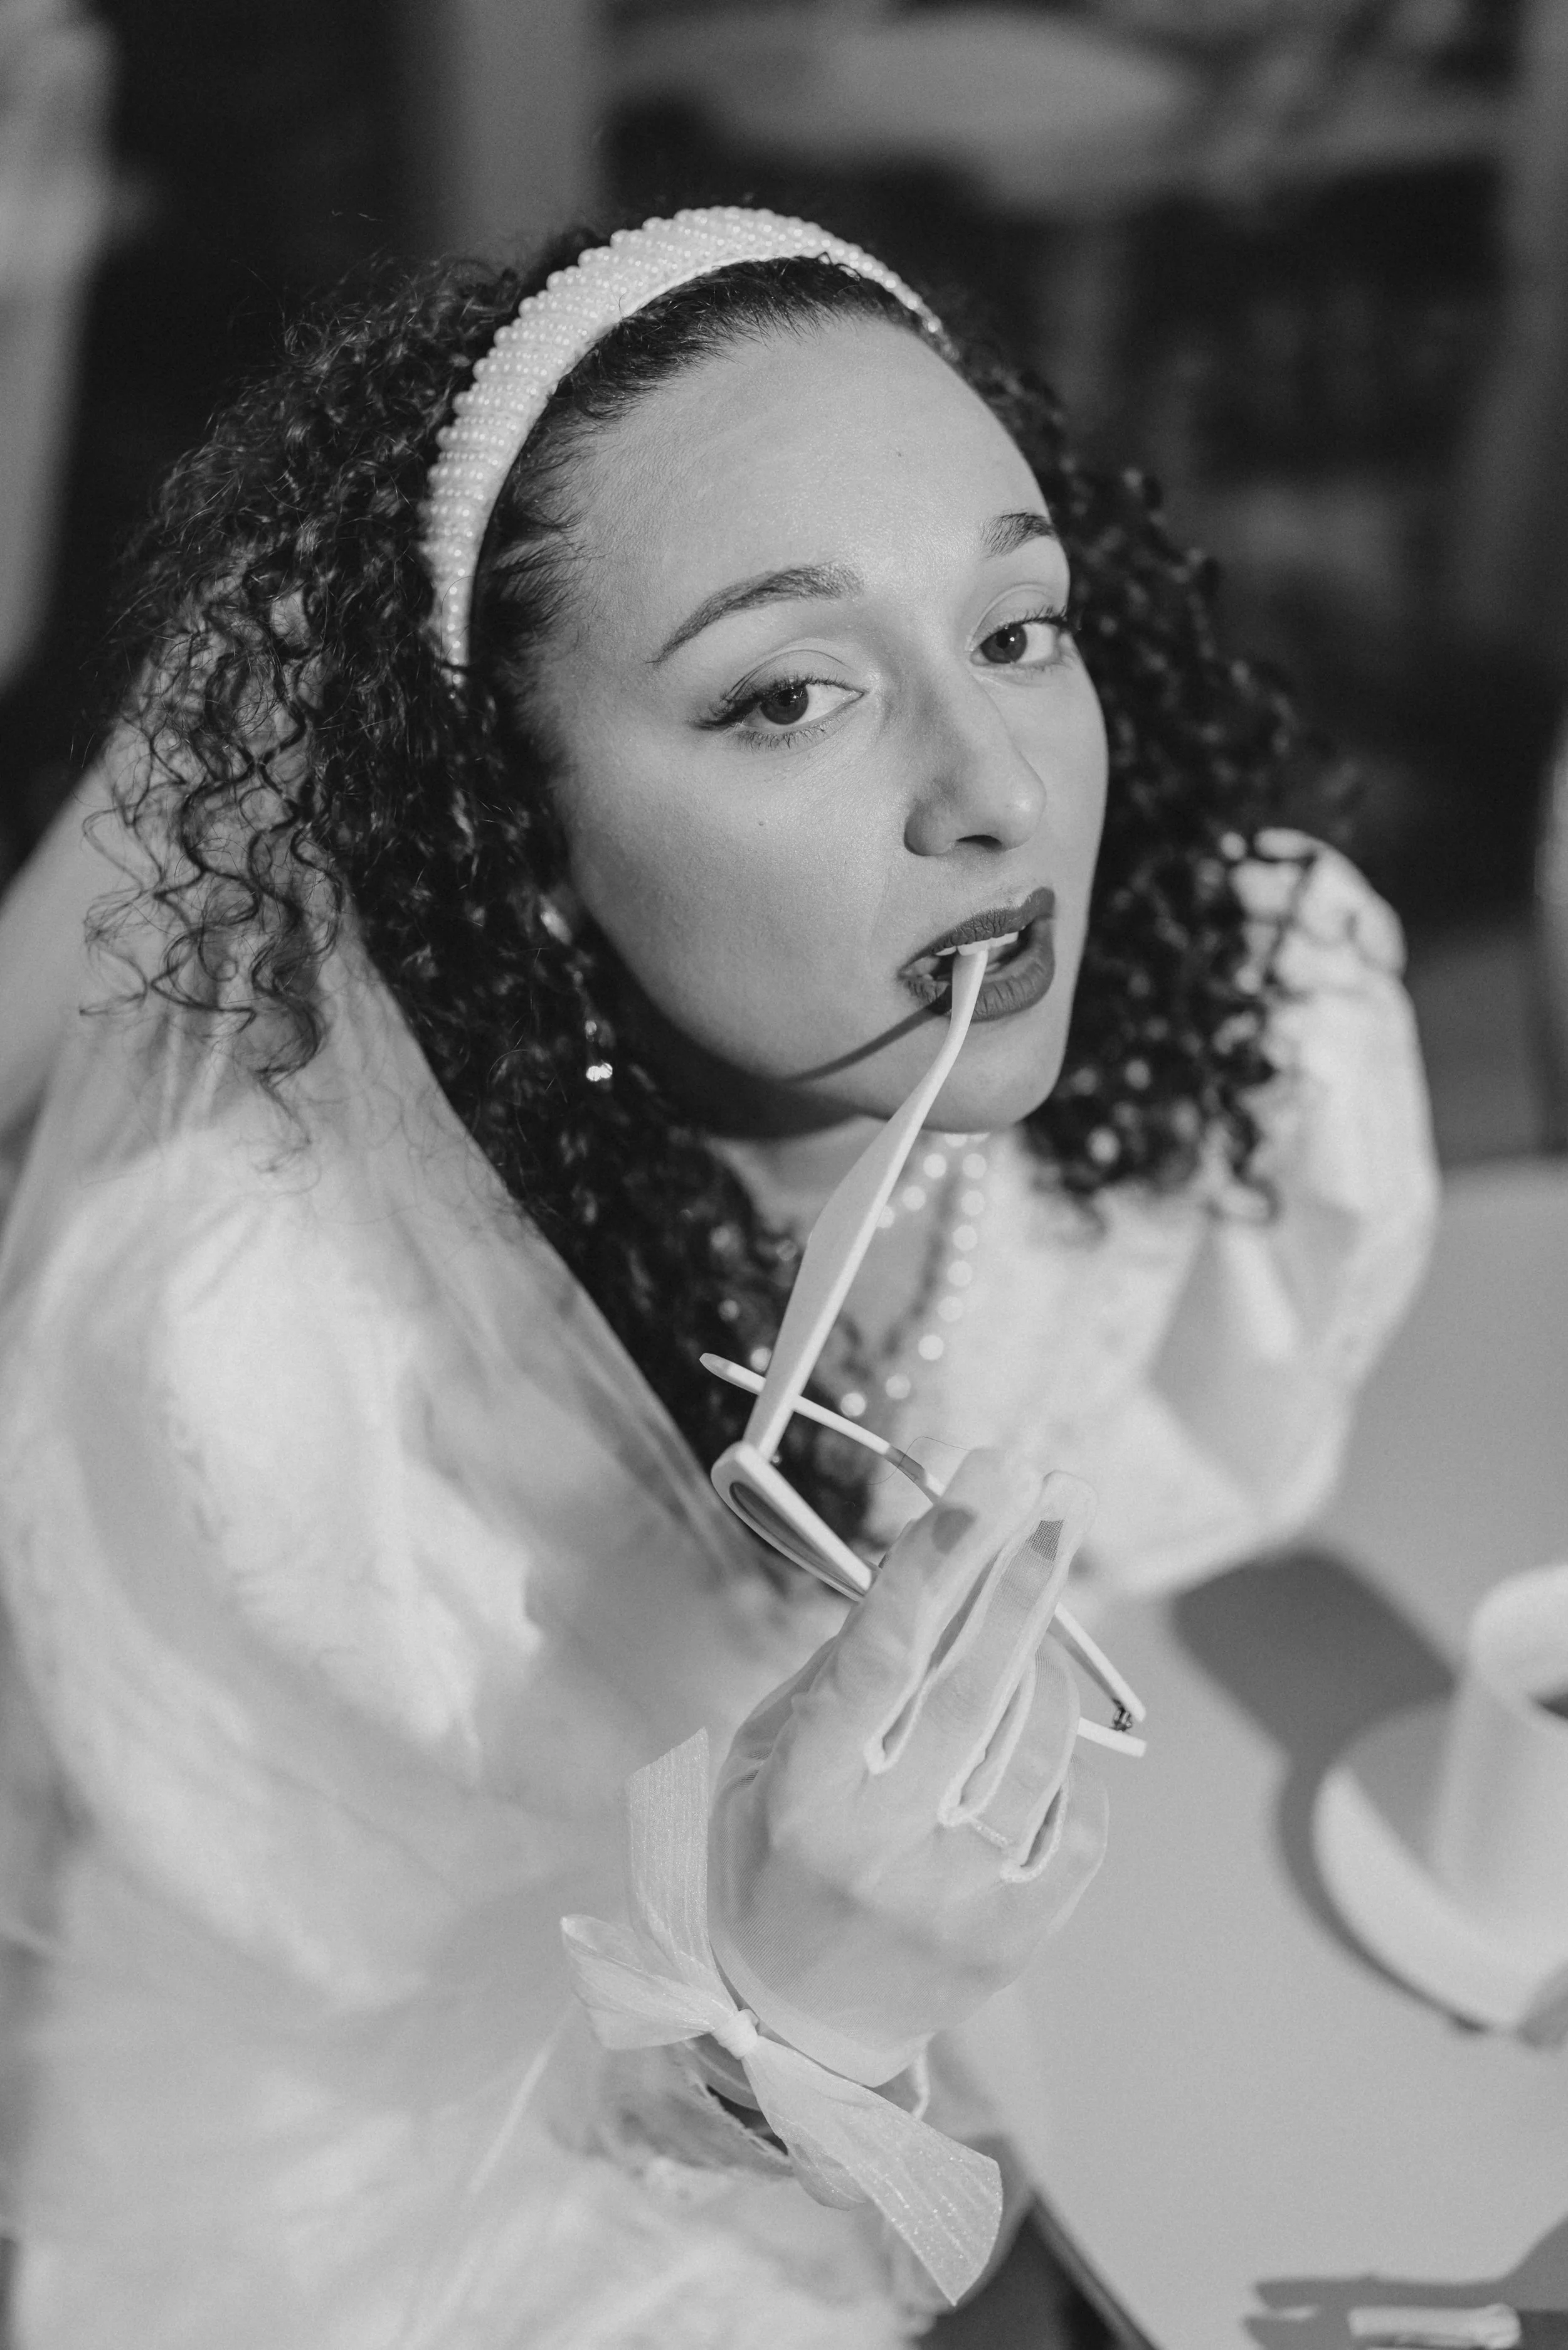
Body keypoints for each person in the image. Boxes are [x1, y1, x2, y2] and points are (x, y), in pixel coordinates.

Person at [0, 208, 1436, 2347]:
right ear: (520, 849)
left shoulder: (1243, 1026)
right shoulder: (271, 1360)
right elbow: (416, 2064)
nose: (994, 791)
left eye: (1019, 629)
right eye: (789, 695)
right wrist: (779, 2007)